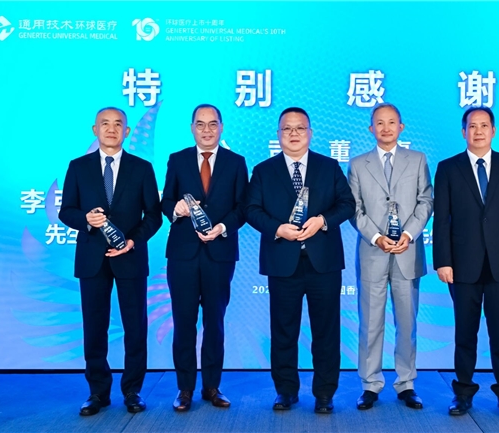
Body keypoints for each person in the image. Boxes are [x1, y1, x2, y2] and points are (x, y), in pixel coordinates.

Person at [244, 107, 355, 414]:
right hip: (282, 262)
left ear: (310, 133)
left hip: (323, 262)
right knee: (283, 331)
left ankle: (324, 393)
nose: (293, 134)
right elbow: (251, 210)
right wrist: (277, 228)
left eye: (300, 128)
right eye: (287, 129)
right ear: (278, 134)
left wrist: (322, 220)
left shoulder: (328, 166)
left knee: (326, 331)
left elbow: (347, 204)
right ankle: (286, 391)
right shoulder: (264, 171)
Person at [59, 107, 162, 416]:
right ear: (95, 130)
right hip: (92, 258)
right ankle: (98, 392)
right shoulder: (78, 167)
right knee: (94, 326)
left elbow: (154, 216)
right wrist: (86, 220)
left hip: (130, 257)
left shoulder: (142, 168)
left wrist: (132, 241)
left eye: (118, 124)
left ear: (127, 132)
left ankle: (132, 390)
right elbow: (66, 211)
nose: (111, 129)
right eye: (105, 124)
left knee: (135, 326)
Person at [433, 106, 499, 418]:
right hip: (462, 265)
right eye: (472, 126)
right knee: (465, 333)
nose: (478, 131)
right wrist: (443, 261)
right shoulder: (448, 168)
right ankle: (462, 393)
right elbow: (441, 220)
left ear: (493, 131)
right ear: (463, 132)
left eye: (484, 125)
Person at [161, 104, 248, 412]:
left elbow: (243, 207)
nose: (207, 130)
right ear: (192, 128)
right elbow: (165, 201)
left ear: (221, 127)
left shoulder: (236, 162)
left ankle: (212, 385)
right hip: (183, 254)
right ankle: (184, 388)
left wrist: (222, 227)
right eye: (201, 124)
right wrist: (176, 209)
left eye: (213, 124)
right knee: (184, 322)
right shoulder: (178, 159)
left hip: (219, 253)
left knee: (215, 322)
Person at [347, 103, 433, 410]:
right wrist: (376, 237)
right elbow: (354, 208)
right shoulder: (358, 164)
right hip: (373, 252)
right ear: (371, 129)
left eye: (391, 122)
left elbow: (426, 201)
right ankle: (370, 384)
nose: (386, 128)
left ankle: (406, 383)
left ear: (401, 127)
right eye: (379, 123)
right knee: (370, 323)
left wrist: (408, 234)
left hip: (408, 253)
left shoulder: (417, 159)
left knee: (407, 323)